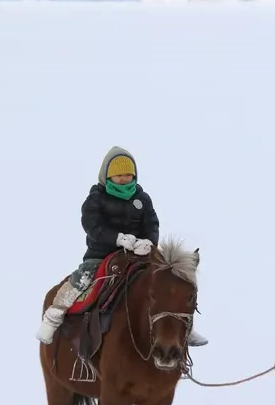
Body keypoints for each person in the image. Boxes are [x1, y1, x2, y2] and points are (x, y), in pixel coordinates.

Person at [36, 146, 208, 348]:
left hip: (139, 255)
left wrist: (148, 242)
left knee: (169, 280)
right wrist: (116, 239)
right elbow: (92, 226)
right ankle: (54, 314)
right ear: (107, 176)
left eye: (128, 174)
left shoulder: (142, 199)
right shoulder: (95, 199)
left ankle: (182, 328)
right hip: (101, 254)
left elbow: (152, 224)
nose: (124, 179)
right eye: (119, 175)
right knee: (82, 279)